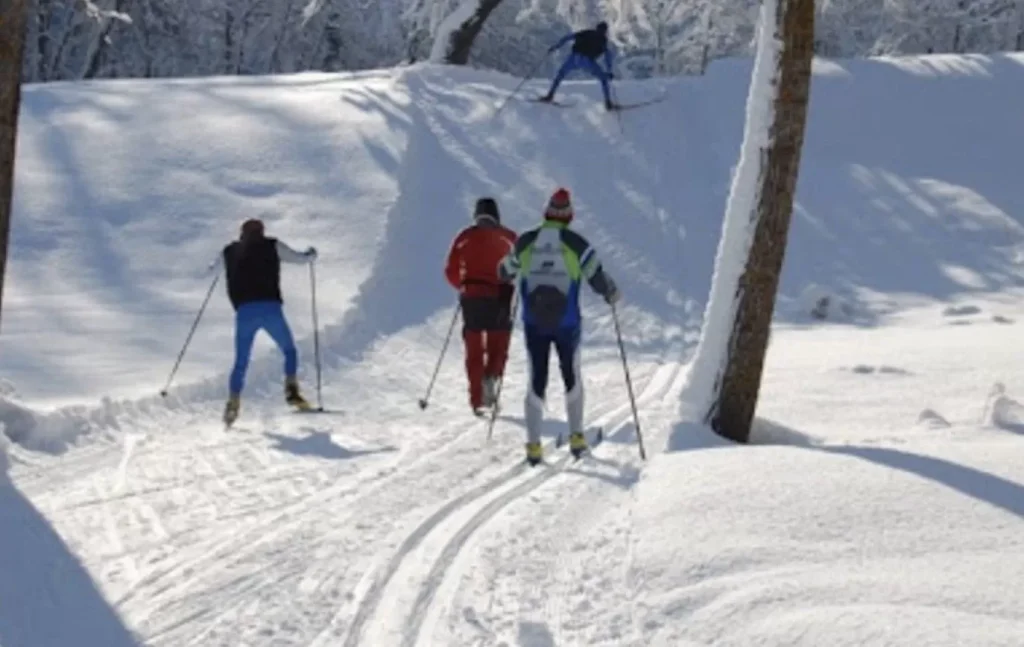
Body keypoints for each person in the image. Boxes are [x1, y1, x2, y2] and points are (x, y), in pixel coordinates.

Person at [497, 188, 620, 465]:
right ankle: (577, 439)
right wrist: (611, 293)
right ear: (569, 216)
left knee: (535, 378)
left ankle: (533, 447)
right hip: (567, 322)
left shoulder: (527, 241)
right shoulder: (576, 243)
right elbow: (596, 276)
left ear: (546, 212)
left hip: (533, 321)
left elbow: (504, 271)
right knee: (571, 376)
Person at [211, 218, 317, 426]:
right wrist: (311, 255)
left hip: (244, 313)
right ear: (262, 232)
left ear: (242, 233)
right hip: (270, 309)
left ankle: (233, 404)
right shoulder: (272, 245)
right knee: (289, 350)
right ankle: (292, 390)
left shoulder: (229, 251)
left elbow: (211, 270)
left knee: (241, 361)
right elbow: (299, 258)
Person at [444, 198, 518, 416]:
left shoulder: (464, 237)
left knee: (474, 349)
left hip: (472, 297)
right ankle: (492, 376)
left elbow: (450, 269)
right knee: (499, 343)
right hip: (499, 297)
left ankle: (476, 400)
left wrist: (463, 286)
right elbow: (523, 257)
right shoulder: (508, 236)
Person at [540, 21, 617, 110]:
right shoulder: (603, 40)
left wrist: (556, 46)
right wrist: (609, 71)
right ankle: (608, 103)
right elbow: (607, 55)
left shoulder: (586, 32)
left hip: (573, 58)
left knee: (560, 75)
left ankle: (550, 95)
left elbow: (568, 37)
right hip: (587, 61)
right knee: (603, 79)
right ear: (605, 31)